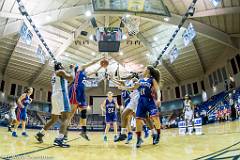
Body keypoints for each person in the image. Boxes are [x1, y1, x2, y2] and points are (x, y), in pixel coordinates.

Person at [119, 66, 161, 148]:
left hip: (149, 100)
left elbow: (157, 89)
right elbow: (132, 88)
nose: (143, 70)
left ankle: (157, 134)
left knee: (155, 117)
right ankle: (138, 139)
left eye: (145, 69)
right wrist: (124, 87)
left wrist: (158, 98)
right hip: (141, 101)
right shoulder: (140, 80)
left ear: (148, 71)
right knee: (138, 119)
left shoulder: (152, 79)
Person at [35, 62, 73, 147]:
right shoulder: (61, 72)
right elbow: (71, 78)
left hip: (55, 97)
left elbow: (68, 82)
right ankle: (59, 139)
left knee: (54, 119)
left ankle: (40, 134)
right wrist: (72, 70)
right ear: (60, 67)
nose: (63, 68)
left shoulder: (55, 75)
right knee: (66, 118)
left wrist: (70, 74)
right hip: (61, 96)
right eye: (63, 66)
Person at [68, 57, 103, 141]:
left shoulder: (84, 74)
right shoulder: (80, 68)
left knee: (83, 112)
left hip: (82, 92)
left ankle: (83, 132)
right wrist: (101, 58)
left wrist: (101, 66)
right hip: (76, 90)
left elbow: (94, 72)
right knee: (72, 112)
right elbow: (92, 61)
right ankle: (63, 132)